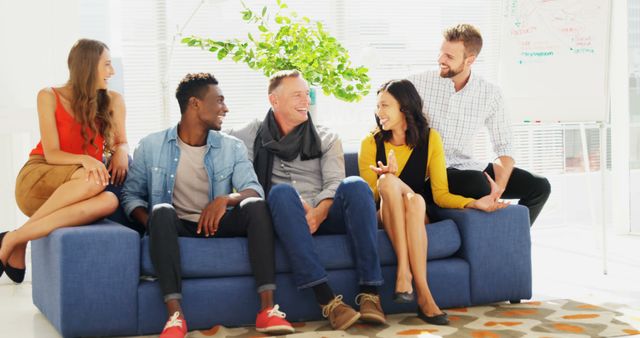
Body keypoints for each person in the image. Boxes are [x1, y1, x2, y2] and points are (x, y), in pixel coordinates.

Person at [121, 73, 293, 338]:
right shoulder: (152, 146)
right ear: (195, 104)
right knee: (161, 211)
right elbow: (131, 197)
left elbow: (253, 188)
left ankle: (267, 310)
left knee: (256, 206)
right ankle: (175, 317)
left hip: (216, 224)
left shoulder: (231, 147)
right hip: (175, 224)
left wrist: (226, 199)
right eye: (219, 101)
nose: (225, 108)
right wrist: (154, 224)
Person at [228, 70, 386, 330]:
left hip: (326, 211)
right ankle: (328, 301)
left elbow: (335, 182)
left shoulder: (326, 136)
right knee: (280, 192)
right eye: (296, 95)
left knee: (356, 185)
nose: (305, 101)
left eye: (306, 94)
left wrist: (318, 213)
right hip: (286, 215)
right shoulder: (250, 134)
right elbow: (213, 140)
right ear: (274, 100)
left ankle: (370, 294)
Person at [359, 79, 507, 326]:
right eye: (377, 106)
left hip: (416, 212)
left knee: (416, 202)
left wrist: (473, 203)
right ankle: (423, 294)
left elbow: (440, 194)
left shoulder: (430, 139)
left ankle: (407, 277)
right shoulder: (371, 143)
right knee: (387, 183)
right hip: (382, 215)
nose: (379, 112)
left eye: (385, 105)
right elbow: (368, 198)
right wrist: (386, 178)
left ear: (404, 107)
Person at [0, 39, 128, 284]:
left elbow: (121, 141)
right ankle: (18, 238)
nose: (112, 72)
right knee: (94, 180)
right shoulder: (49, 96)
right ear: (88, 66)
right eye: (107, 65)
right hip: (41, 177)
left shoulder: (113, 101)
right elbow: (52, 153)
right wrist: (85, 160)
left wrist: (122, 149)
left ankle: (15, 238)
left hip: (79, 185)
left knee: (109, 201)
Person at [407, 24, 551, 225]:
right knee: (477, 182)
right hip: (432, 172)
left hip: (466, 167)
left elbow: (505, 147)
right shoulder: (417, 84)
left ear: (470, 60)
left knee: (540, 186)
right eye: (441, 53)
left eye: (449, 57)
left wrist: (497, 188)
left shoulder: (489, 94)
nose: (441, 60)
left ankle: (511, 239)